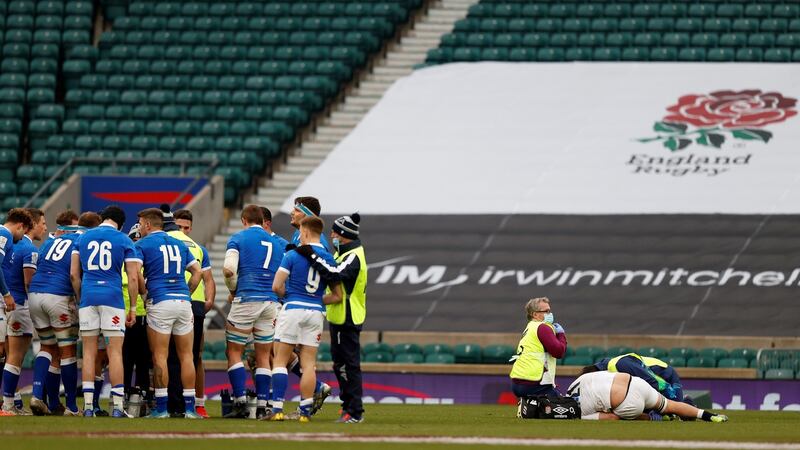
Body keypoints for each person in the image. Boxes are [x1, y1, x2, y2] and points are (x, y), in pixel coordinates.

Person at [267, 216, 343, 422]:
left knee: (281, 359)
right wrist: (316, 299)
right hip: (316, 312)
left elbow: (276, 286)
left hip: (293, 308)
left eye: (300, 230)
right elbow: (338, 296)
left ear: (306, 232)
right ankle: (304, 413)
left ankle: (277, 410)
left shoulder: (293, 254)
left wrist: (289, 296)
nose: (299, 234)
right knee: (308, 364)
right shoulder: (329, 259)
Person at [70, 205, 140, 418]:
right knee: (115, 352)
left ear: (102, 218)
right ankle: (118, 407)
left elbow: (74, 274)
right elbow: (134, 277)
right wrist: (134, 307)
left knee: (89, 353)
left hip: (89, 297)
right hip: (113, 298)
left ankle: (89, 406)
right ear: (121, 223)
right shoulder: (124, 240)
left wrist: (82, 298)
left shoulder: (81, 237)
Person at [134, 208, 202, 419]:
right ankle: (189, 409)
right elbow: (197, 272)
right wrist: (187, 293)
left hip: (160, 301)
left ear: (147, 224)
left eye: (140, 224)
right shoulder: (179, 243)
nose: (139, 228)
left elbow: (135, 274)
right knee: (187, 356)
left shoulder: (142, 244)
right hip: (183, 302)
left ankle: (162, 408)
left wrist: (145, 295)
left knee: (160, 355)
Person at [300, 212, 368, 423]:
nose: (331, 235)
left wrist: (310, 254)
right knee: (340, 365)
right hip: (339, 317)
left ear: (344, 234)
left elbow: (334, 274)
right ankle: (348, 406)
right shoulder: (344, 254)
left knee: (348, 365)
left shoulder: (354, 256)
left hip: (348, 317)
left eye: (335, 232)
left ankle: (354, 411)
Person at [222, 205, 286, 419]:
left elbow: (229, 269)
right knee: (263, 356)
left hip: (247, 298)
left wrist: (233, 290)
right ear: (263, 220)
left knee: (233, 352)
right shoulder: (277, 244)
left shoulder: (238, 238)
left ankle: (240, 402)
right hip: (270, 303)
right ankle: (262, 404)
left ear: (243, 220)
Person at [27, 210, 90, 416]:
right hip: (59, 296)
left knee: (47, 346)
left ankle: (43, 398)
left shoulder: (50, 241)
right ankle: (72, 407)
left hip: (35, 294)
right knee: (67, 352)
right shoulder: (82, 241)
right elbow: (75, 274)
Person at [170, 208, 215, 418]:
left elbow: (208, 279)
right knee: (176, 356)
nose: (182, 230)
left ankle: (198, 402)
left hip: (192, 304)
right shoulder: (192, 248)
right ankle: (173, 401)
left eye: (186, 227)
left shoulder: (198, 249)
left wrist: (209, 300)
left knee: (194, 356)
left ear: (191, 228)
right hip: (181, 303)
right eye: (179, 226)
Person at [566, 370, 728, 422]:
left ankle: (655, 417)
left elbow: (611, 418)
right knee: (670, 404)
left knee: (620, 414)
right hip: (637, 383)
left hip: (627, 403)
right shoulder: (581, 379)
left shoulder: (581, 414)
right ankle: (709, 416)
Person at [0, 209, 37, 416]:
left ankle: (10, 402)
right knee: (13, 354)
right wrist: (6, 294)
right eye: (24, 232)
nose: (22, 238)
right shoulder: (5, 235)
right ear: (21, 226)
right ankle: (7, 404)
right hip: (14, 303)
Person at [509, 297, 567, 399]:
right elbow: (559, 352)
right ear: (535, 314)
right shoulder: (542, 327)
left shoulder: (529, 327)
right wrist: (561, 334)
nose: (550, 314)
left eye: (550, 310)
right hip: (533, 383)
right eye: (546, 311)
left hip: (516, 383)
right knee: (567, 407)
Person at [121, 223, 151, 408]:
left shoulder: (148, 266)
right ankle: (123, 394)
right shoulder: (123, 266)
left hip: (143, 317)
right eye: (135, 240)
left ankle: (143, 395)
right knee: (124, 359)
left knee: (143, 361)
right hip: (124, 318)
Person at [583, 353, 686, 402]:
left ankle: (686, 402)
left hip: (666, 376)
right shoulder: (609, 369)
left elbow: (651, 381)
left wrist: (656, 406)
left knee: (681, 413)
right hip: (657, 382)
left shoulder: (620, 365)